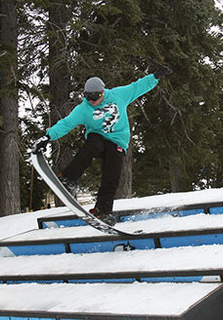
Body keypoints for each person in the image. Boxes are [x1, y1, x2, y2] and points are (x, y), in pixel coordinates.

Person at [33, 67, 171, 225]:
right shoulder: (84, 109)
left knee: (112, 176)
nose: (92, 101)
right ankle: (68, 177)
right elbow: (66, 124)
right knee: (93, 144)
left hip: (118, 142)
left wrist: (154, 77)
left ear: (102, 92)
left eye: (95, 97)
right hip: (97, 139)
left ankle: (102, 211)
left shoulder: (118, 95)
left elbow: (137, 87)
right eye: (88, 97)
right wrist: (47, 137)